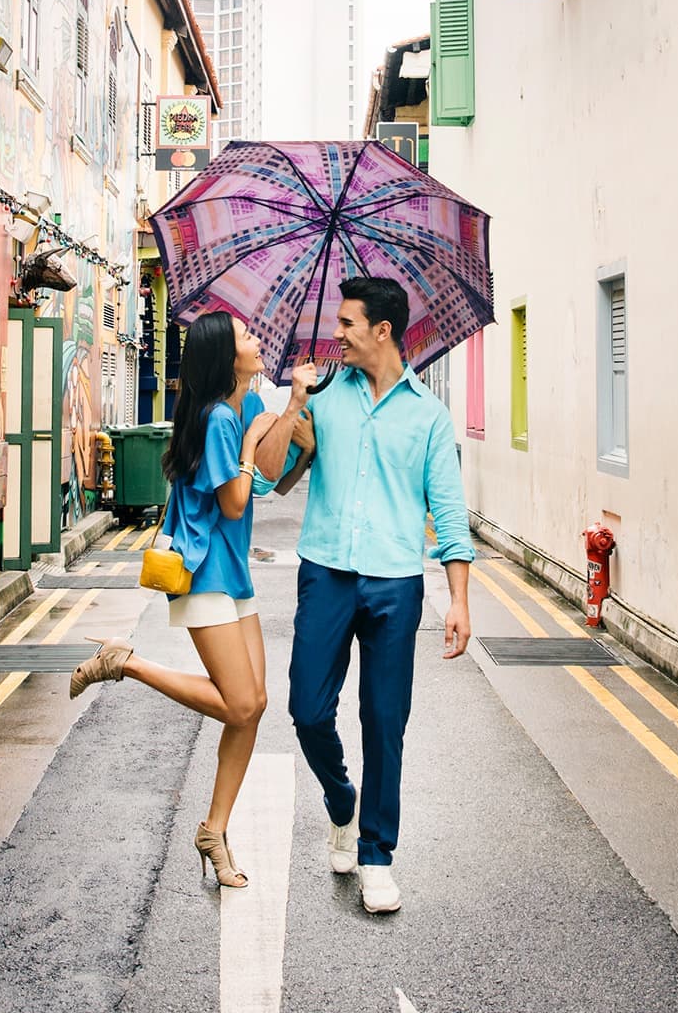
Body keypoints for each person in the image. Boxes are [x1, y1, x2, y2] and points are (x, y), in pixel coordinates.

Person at [248, 275, 473, 915]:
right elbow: (271, 482)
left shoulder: (428, 416)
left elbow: (450, 514)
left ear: (383, 331)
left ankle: (376, 852)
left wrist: (456, 599)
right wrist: (294, 405)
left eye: (348, 324)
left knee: (385, 721)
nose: (336, 334)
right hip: (325, 573)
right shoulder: (323, 397)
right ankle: (341, 800)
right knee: (308, 709)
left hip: (396, 582)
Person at [67, 311, 306, 888]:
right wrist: (253, 441)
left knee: (255, 705)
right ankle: (127, 662)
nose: (257, 341)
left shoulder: (240, 406)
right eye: (248, 336)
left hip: (232, 575)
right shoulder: (221, 419)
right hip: (203, 575)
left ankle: (214, 830)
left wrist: (295, 414)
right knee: (241, 705)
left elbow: (275, 482)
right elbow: (234, 502)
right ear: (227, 356)